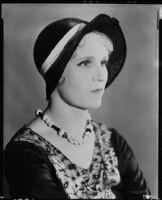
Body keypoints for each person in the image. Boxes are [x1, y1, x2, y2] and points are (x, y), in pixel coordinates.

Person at [4, 14, 151, 199]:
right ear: (57, 75)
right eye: (85, 63)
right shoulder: (25, 153)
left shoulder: (113, 141)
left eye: (103, 62)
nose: (100, 75)